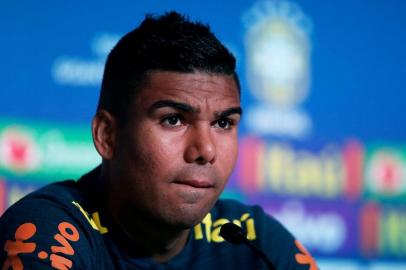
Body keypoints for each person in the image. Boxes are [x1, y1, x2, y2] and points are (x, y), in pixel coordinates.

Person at [0, 11, 318, 270]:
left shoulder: (251, 239)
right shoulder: (49, 229)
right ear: (107, 136)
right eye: (173, 120)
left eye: (223, 123)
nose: (205, 150)